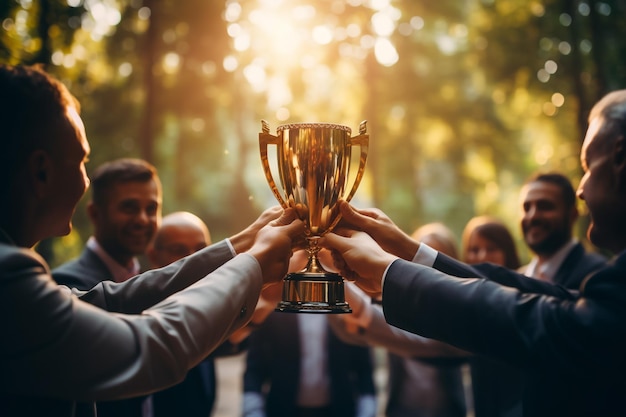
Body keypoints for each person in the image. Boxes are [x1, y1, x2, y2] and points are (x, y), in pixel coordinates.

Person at [0, 64, 304, 417]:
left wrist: (240, 244)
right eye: (82, 160)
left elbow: (110, 301)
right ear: (41, 172)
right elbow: (148, 346)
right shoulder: (9, 274)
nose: (85, 180)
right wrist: (251, 265)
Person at [320, 89, 626, 417]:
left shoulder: (602, 282)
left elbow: (520, 315)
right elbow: (522, 299)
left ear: (620, 159)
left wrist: (387, 268)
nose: (582, 188)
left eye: (589, 166)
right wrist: (407, 250)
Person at [53, 158, 162, 417]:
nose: (143, 220)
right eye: (129, 207)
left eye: (152, 208)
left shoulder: (151, 280)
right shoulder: (65, 286)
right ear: (95, 213)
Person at [241, 249, 378, 417]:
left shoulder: (346, 306)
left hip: (339, 409)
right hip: (282, 409)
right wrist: (252, 410)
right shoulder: (275, 305)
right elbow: (255, 366)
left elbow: (364, 368)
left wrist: (368, 410)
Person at [384, 223, 467, 417]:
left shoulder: (461, 312)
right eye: (419, 256)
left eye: (434, 257)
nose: (425, 266)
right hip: (401, 411)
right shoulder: (395, 306)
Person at [145, 211, 216, 417]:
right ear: (153, 256)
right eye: (179, 250)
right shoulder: (141, 313)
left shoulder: (208, 307)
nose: (194, 257)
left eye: (201, 249)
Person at [518, 172, 606, 287]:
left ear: (572, 215)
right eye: (526, 208)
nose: (533, 216)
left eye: (545, 206)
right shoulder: (517, 279)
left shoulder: (599, 274)